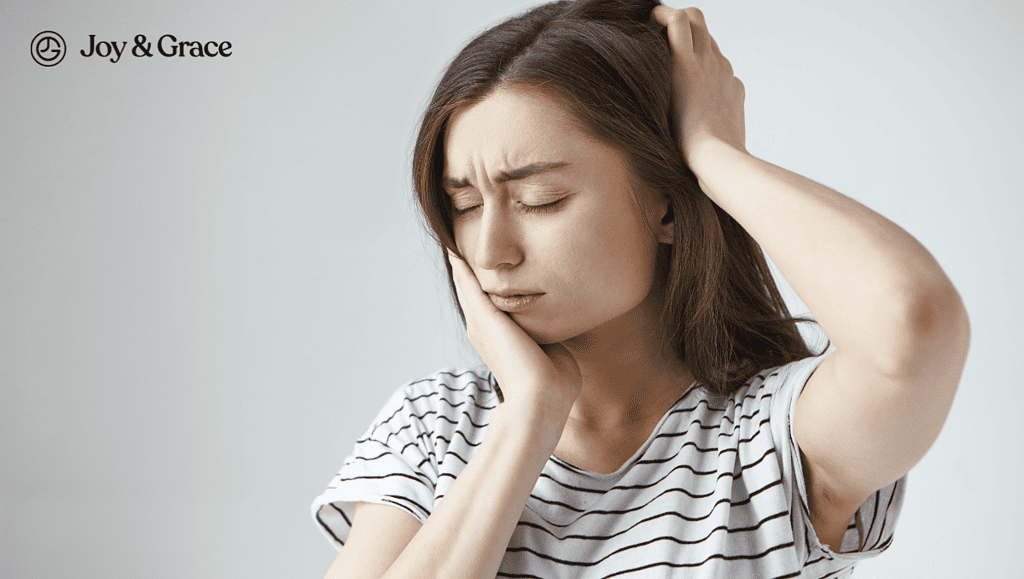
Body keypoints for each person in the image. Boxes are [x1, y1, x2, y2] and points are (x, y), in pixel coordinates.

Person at [311, 1, 970, 577]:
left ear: (665, 206)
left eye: (540, 200)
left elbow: (913, 321)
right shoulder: (437, 427)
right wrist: (529, 416)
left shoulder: (770, 439)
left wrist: (712, 154)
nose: (491, 252)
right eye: (465, 205)